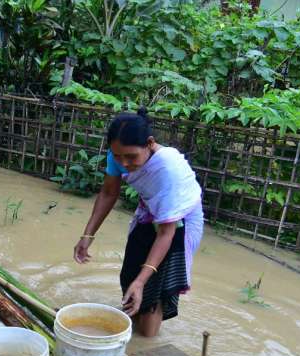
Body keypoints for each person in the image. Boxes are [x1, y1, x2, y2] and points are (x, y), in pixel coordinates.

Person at [74, 109, 204, 337]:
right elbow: (108, 193)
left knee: (154, 290)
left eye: (131, 157)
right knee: (130, 275)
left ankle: (147, 341)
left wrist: (143, 281)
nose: (124, 163)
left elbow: (166, 233)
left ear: (150, 144)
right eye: (118, 156)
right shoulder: (119, 154)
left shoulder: (167, 170)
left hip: (179, 222)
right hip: (149, 212)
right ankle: (134, 312)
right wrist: (87, 236)